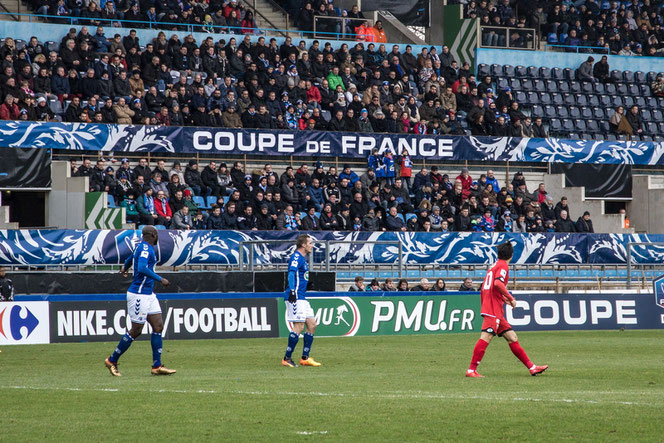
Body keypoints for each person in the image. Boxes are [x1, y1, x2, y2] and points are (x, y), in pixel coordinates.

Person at [466, 241, 548, 378]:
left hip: (494, 307)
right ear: (511, 255)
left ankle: (532, 367)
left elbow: (491, 287)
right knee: (486, 337)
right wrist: (510, 298)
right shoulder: (503, 266)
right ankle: (471, 370)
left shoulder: (494, 265)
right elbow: (498, 283)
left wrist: (503, 299)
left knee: (512, 337)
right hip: (492, 308)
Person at [104, 226, 176, 377]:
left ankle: (157, 366)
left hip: (148, 294)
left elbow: (131, 258)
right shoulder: (145, 249)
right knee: (136, 330)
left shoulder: (141, 247)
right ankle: (112, 360)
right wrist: (160, 279)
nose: (158, 237)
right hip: (138, 295)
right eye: (156, 234)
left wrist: (125, 268)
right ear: (153, 235)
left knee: (158, 326)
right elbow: (142, 268)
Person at [281, 234, 321, 368]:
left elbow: (299, 275)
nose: (312, 245)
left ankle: (305, 357)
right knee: (299, 326)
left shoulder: (302, 259)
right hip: (295, 297)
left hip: (302, 297)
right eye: (310, 243)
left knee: (312, 324)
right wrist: (292, 290)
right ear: (303, 245)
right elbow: (291, 273)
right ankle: (287, 358)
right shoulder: (296, 257)